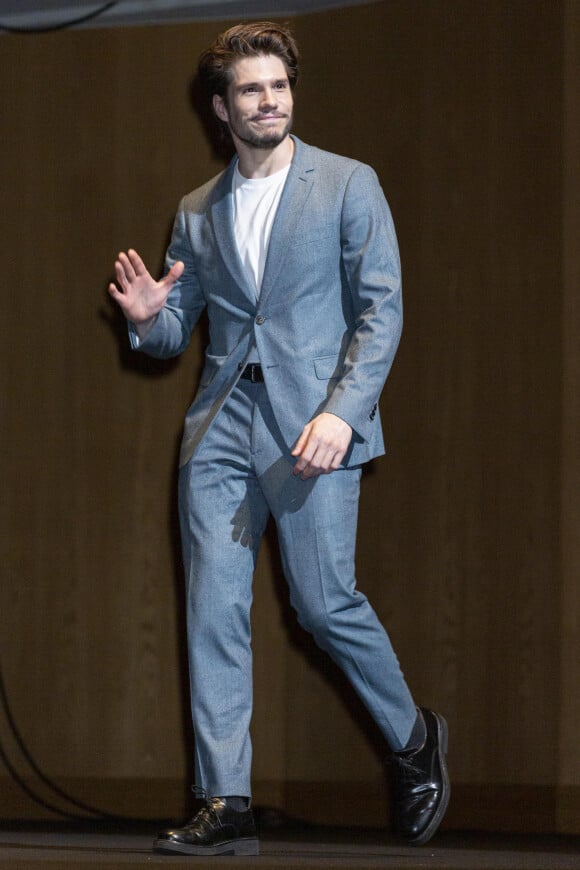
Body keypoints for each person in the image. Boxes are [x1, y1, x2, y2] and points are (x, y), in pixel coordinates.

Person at [108, 21, 449, 857]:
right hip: (223, 426)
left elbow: (382, 311)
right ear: (222, 108)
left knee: (322, 605)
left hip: (312, 425)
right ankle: (225, 798)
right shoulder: (197, 210)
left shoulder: (347, 184)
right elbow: (176, 331)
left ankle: (413, 740)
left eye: (280, 87)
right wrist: (149, 322)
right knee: (213, 610)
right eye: (252, 90)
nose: (271, 101)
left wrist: (344, 412)